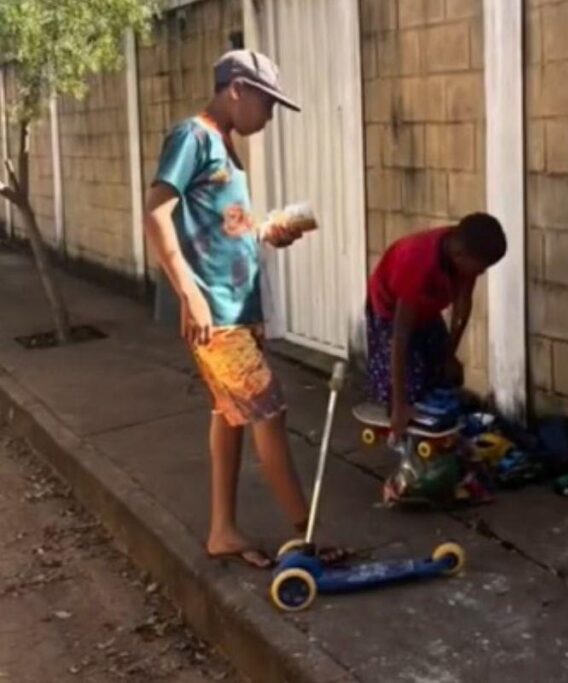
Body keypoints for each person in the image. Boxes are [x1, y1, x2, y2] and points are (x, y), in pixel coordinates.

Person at [143, 50, 342, 569]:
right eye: (266, 103)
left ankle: (222, 531)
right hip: (217, 316)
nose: (270, 115)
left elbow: (223, 227)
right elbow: (156, 213)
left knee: (230, 416)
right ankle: (306, 533)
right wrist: (189, 293)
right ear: (236, 89)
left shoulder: (225, 147)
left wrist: (266, 231)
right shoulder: (192, 137)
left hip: (240, 310)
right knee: (269, 411)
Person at [366, 213, 507, 437]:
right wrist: (400, 404)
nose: (482, 273)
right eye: (481, 268)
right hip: (390, 311)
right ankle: (402, 424)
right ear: (460, 256)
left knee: (445, 374)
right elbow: (400, 338)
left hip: (426, 308)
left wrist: (449, 354)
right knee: (411, 382)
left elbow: (462, 307)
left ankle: (437, 426)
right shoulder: (417, 261)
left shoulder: (464, 252)